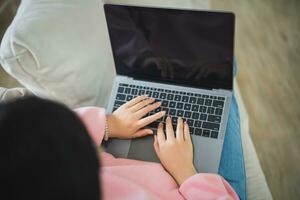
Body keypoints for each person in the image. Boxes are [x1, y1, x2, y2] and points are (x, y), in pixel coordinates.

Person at [0, 96, 243, 200]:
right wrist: (186, 173)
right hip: (193, 184)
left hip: (168, 163)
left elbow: (41, 131)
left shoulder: (20, 170)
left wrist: (108, 124)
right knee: (223, 87)